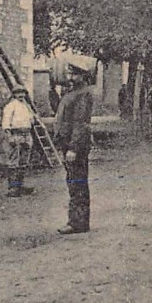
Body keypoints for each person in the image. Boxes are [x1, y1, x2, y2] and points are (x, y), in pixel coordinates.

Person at [54, 63, 94, 235]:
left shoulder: (83, 94)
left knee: (77, 183)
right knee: (73, 182)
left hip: (75, 145)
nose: (70, 78)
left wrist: (74, 148)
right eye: (69, 74)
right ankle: (78, 221)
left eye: (74, 75)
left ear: (82, 76)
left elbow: (80, 123)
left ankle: (77, 222)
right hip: (67, 142)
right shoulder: (72, 93)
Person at [1, 86, 34, 197]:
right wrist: (9, 136)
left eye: (23, 93)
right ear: (14, 94)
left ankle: (20, 185)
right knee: (13, 162)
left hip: (27, 135)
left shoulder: (26, 106)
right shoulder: (10, 106)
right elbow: (6, 121)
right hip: (16, 135)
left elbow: (32, 120)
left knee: (24, 162)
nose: (21, 95)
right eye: (18, 93)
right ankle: (13, 188)